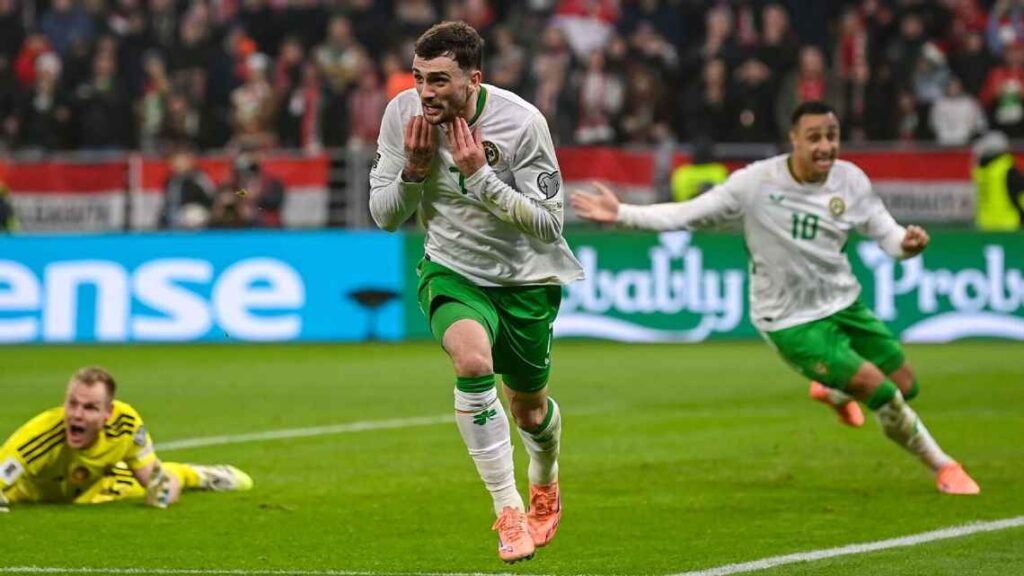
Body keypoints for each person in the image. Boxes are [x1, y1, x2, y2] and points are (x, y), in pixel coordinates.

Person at [571, 101, 980, 496]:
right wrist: (623, 213)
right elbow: (688, 213)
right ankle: (945, 466)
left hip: (844, 302)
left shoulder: (851, 180)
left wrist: (907, 244)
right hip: (790, 320)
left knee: (906, 384)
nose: (825, 146)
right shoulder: (756, 183)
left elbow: (887, 235)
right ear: (794, 139)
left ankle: (834, 392)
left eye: (832, 136)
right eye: (814, 137)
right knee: (882, 392)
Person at [369, 21, 583, 564]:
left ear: (473, 79)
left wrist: (481, 177)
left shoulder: (521, 122)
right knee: (471, 361)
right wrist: (413, 173)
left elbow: (550, 224)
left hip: (525, 280)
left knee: (529, 411)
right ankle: (508, 511)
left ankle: (544, 480)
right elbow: (385, 217)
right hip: (452, 270)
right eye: (419, 77)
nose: (425, 92)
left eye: (439, 80)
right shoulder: (401, 115)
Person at [0, 367, 253, 512]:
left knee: (158, 481)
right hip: (32, 494)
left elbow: (154, 481)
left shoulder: (125, 425)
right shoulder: (40, 435)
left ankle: (201, 476)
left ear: (108, 413)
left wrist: (162, 495)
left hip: (100, 485)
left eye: (89, 408)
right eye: (72, 404)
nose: (77, 414)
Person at [971, 130, 1024, 231]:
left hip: (984, 226)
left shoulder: (981, 171)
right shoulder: (1007, 170)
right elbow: (1021, 196)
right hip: (1008, 227)